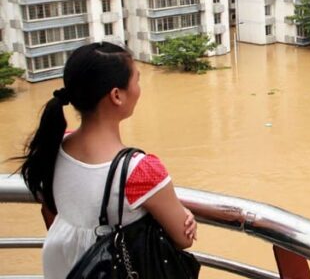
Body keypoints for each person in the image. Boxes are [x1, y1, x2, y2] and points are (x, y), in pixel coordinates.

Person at [17, 42, 196, 279]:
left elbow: (51, 213)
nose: (139, 88)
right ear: (116, 95)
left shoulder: (55, 145)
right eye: (137, 80)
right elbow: (184, 238)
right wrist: (184, 213)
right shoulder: (139, 170)